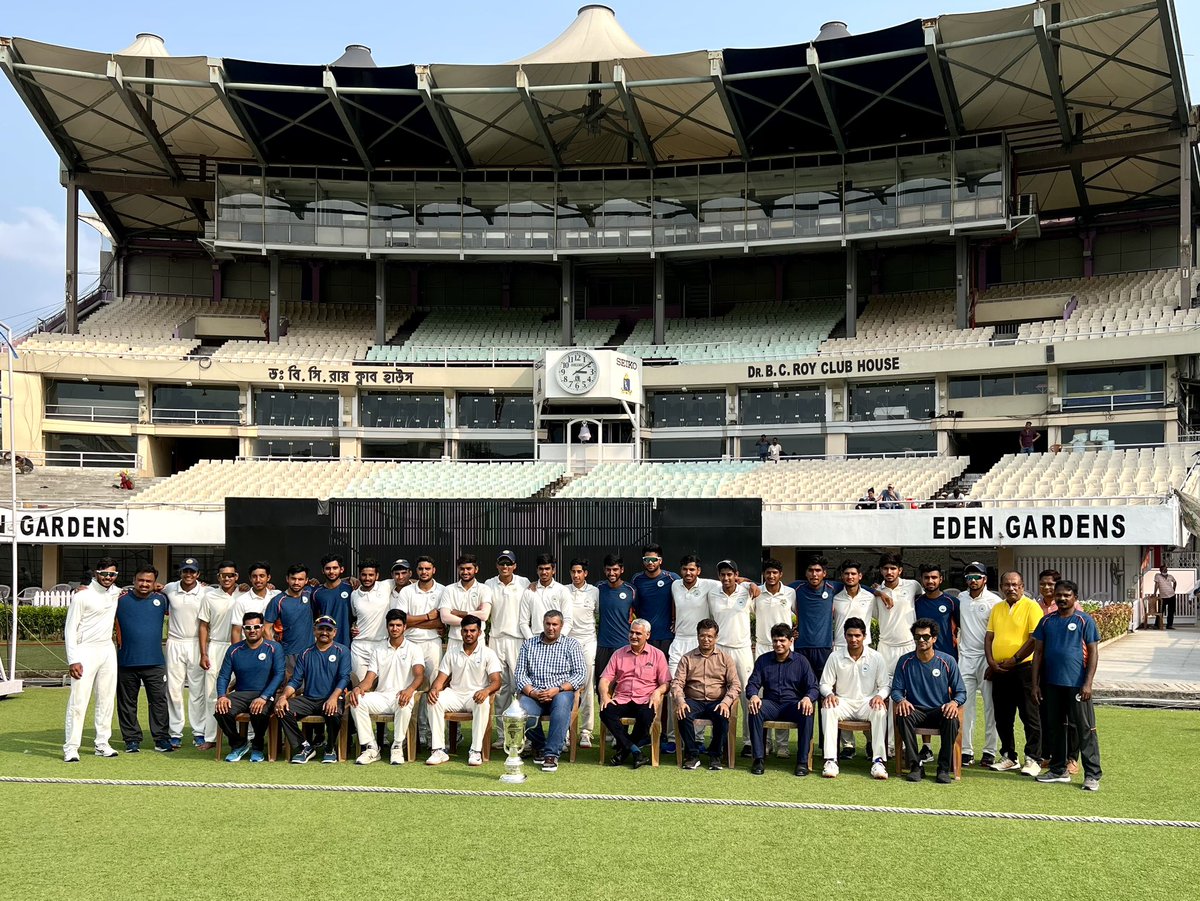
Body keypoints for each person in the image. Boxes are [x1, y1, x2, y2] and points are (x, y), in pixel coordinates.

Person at [1032, 580, 1102, 791]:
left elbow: (1093, 653)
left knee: (1085, 728)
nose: (1062, 598)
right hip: (1051, 684)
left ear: (1075, 597)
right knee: (1055, 728)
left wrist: (1088, 683)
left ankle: (1092, 774)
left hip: (1077, 685)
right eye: (1058, 595)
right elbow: (1038, 653)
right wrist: (1035, 684)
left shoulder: (1084, 620)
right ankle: (1058, 770)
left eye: (1067, 595)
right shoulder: (1046, 621)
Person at [891, 618, 966, 783]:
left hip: (939, 711)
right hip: (915, 710)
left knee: (952, 718)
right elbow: (895, 690)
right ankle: (915, 766)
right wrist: (901, 700)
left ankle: (944, 768)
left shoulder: (947, 661)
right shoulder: (905, 661)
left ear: (934, 639)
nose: (921, 640)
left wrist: (953, 703)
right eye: (917, 637)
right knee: (902, 715)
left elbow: (961, 692)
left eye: (926, 637)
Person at [63, 558, 122, 761]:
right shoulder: (82, 596)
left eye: (112, 574)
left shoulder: (116, 592)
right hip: (85, 651)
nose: (108, 578)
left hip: (107, 649)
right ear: (96, 573)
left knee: (106, 699)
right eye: (104, 574)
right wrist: (73, 659)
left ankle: (102, 743)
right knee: (78, 702)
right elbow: (70, 629)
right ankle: (71, 747)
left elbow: (137, 590)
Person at [349, 609, 425, 766]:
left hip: (403, 696)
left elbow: (419, 676)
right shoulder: (378, 649)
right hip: (382, 696)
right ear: (387, 626)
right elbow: (370, 678)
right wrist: (359, 688)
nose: (395, 628)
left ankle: (397, 746)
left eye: (398, 625)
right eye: (391, 625)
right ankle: (371, 747)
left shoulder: (414, 648)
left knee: (403, 701)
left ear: (405, 627)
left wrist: (409, 690)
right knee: (356, 700)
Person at [985, 571, 1043, 776]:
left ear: (1022, 585)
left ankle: (1033, 758)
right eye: (1006, 584)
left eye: (1015, 584)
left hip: (1024, 669)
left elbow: (1035, 638)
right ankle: (1009, 756)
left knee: (1029, 715)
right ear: (1001, 587)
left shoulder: (1031, 606)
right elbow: (989, 637)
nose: (1011, 588)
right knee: (1002, 716)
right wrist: (992, 662)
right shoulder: (997, 608)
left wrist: (1015, 659)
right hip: (1000, 670)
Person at [516, 610, 587, 773]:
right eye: (548, 624)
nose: (551, 628)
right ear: (543, 624)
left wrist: (558, 689)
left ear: (561, 626)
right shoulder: (529, 644)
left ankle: (551, 754)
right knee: (522, 710)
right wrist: (532, 692)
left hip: (561, 692)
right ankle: (540, 745)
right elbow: (520, 674)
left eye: (555, 624)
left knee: (562, 706)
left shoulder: (571, 644)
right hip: (535, 693)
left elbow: (580, 674)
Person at [426, 615, 502, 767]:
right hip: (454, 694)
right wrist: (434, 690)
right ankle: (438, 750)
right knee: (434, 701)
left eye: (472, 631)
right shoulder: (452, 652)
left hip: (475, 695)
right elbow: (440, 680)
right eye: (466, 631)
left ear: (479, 633)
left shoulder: (488, 653)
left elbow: (497, 681)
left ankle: (475, 751)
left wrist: (486, 691)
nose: (469, 634)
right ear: (461, 632)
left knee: (483, 702)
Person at [274, 615, 351, 764]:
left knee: (334, 712)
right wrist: (283, 697)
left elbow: (344, 678)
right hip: (309, 699)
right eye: (321, 628)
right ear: (314, 631)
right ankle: (304, 747)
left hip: (331, 697)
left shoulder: (342, 651)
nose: (324, 632)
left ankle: (330, 748)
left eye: (328, 629)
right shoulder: (305, 653)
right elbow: (296, 680)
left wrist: (333, 697)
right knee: (282, 709)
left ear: (334, 632)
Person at [819, 618, 889, 779]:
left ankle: (878, 761)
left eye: (857, 635)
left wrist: (879, 696)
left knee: (880, 710)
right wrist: (829, 694)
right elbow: (824, 683)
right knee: (828, 708)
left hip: (867, 702)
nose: (853, 639)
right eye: (850, 635)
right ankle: (831, 760)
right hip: (843, 702)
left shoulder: (876, 657)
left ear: (864, 636)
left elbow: (885, 685)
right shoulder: (835, 657)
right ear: (844, 636)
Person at [745, 622, 818, 776]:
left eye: (782, 640)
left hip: (793, 705)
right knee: (755, 708)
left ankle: (802, 761)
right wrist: (753, 696)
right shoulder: (763, 660)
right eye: (775, 641)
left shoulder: (801, 661)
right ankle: (758, 758)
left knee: (807, 711)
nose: (778, 644)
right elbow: (752, 684)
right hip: (771, 704)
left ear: (791, 641)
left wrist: (807, 698)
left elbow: (813, 686)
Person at [114, 564, 172, 754]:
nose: (144, 584)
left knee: (159, 701)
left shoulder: (162, 599)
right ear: (133, 581)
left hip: (155, 661)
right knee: (127, 703)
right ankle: (131, 739)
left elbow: (187, 599)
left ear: (155, 583)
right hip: (126, 661)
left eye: (149, 581)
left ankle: (161, 739)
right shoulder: (119, 600)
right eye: (141, 580)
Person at [214, 612, 285, 763]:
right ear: (243, 629)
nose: (252, 630)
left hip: (265, 694)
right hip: (241, 694)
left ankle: (258, 746)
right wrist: (221, 696)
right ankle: (238, 744)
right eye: (248, 627)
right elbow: (223, 676)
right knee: (221, 710)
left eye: (256, 627)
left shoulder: (273, 648)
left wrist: (264, 697)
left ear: (261, 628)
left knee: (259, 710)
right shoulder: (234, 650)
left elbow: (279, 674)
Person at [599, 618, 670, 769]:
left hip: (645, 699)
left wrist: (658, 691)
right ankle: (635, 750)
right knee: (605, 711)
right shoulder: (619, 654)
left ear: (647, 635)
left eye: (638, 633)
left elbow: (666, 683)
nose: (634, 636)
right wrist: (605, 695)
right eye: (631, 632)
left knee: (646, 716)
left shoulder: (657, 655)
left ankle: (624, 751)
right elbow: (605, 679)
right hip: (622, 698)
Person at [671, 618, 740, 771]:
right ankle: (692, 755)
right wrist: (681, 701)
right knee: (683, 713)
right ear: (697, 636)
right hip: (693, 700)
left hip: (717, 701)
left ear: (716, 638)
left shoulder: (725, 659)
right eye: (702, 635)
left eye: (710, 636)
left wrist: (726, 702)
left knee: (722, 716)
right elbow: (677, 683)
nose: (706, 639)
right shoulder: (687, 658)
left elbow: (735, 684)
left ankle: (715, 755)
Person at [631, 544, 679, 750]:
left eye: (654, 560)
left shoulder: (672, 579)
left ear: (660, 561)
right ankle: (643, 733)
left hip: (666, 640)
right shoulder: (636, 580)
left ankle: (666, 735)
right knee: (640, 685)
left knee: (664, 687)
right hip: (644, 641)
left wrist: (744, 581)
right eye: (646, 560)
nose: (650, 564)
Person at [708, 560, 757, 756]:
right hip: (719, 649)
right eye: (722, 575)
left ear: (736, 574)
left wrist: (749, 582)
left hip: (742, 649)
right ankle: (718, 739)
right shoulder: (712, 593)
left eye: (730, 574)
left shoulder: (747, 591)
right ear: (718, 576)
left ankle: (749, 741)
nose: (726, 578)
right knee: (718, 693)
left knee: (747, 694)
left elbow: (760, 590)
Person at [872, 553, 918, 758]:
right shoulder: (876, 591)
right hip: (884, 647)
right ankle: (889, 744)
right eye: (885, 569)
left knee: (907, 695)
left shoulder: (913, 585)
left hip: (908, 646)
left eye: (893, 568)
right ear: (881, 571)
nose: (889, 572)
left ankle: (908, 744)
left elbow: (927, 594)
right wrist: (879, 592)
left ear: (900, 570)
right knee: (884, 694)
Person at [956, 562, 1002, 767]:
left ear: (985, 579)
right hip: (965, 659)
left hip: (987, 660)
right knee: (965, 706)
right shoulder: (961, 598)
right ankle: (966, 751)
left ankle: (990, 751)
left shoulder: (995, 601)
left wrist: (993, 662)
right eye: (969, 577)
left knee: (991, 707)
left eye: (977, 577)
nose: (973, 581)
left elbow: (998, 634)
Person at [398, 556, 444, 747]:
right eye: (420, 569)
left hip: (432, 643)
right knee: (410, 686)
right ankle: (412, 734)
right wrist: (427, 617)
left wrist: (414, 620)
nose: (424, 572)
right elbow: (402, 620)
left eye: (427, 569)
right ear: (416, 571)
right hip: (409, 643)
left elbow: (441, 621)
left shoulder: (442, 590)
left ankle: (430, 733)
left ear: (434, 570)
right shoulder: (407, 591)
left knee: (432, 688)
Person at [164, 557, 208, 750]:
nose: (188, 575)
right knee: (173, 689)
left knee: (197, 691)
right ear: (180, 573)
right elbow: (153, 588)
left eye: (192, 572)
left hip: (197, 643)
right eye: (185, 571)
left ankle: (199, 732)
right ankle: (175, 733)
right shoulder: (169, 588)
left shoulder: (206, 592)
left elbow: (231, 593)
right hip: (175, 642)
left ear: (198, 574)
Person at [754, 559, 796, 758]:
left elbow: (800, 614)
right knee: (764, 695)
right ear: (764, 574)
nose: (771, 576)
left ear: (781, 574)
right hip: (763, 646)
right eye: (768, 573)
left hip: (785, 647)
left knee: (784, 694)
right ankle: (766, 743)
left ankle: (782, 745)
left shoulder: (790, 593)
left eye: (775, 573)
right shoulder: (755, 592)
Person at [197, 560, 240, 750]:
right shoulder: (209, 597)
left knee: (239, 692)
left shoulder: (245, 594)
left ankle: (241, 736)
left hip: (241, 649)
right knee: (212, 694)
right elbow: (203, 625)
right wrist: (204, 653)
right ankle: (211, 737)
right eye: (224, 575)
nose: (227, 578)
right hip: (216, 648)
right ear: (218, 577)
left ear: (236, 577)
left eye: (231, 575)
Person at [487, 549, 530, 738]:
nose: (505, 567)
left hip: (517, 639)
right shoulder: (489, 584)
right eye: (502, 563)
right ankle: (502, 735)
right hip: (496, 640)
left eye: (508, 563)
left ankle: (521, 734)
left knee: (519, 686)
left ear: (514, 566)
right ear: (497, 565)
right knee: (500, 688)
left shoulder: (525, 583)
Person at [566, 558, 599, 748]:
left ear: (585, 573)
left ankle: (586, 732)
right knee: (568, 688)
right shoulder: (563, 590)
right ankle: (567, 731)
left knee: (586, 687)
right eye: (573, 572)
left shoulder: (595, 591)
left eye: (579, 572)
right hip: (568, 643)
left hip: (588, 643)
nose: (576, 575)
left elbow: (599, 613)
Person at [263, 563, 316, 681]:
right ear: (287, 579)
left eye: (300, 579)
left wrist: (350, 579)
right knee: (290, 690)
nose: (296, 582)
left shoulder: (310, 593)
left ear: (307, 580)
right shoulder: (278, 601)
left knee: (309, 689)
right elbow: (266, 629)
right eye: (293, 578)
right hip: (289, 654)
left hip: (311, 652)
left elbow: (330, 584)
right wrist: (276, 654)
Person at [595, 554, 635, 694]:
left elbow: (640, 614)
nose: (612, 573)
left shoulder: (631, 590)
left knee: (622, 686)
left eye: (615, 569)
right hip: (603, 646)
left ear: (622, 570)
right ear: (604, 570)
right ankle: (604, 715)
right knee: (603, 687)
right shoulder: (598, 588)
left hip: (623, 645)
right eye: (608, 569)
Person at [439, 554, 494, 655]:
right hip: (455, 639)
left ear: (476, 569)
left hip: (478, 640)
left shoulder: (484, 589)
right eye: (462, 569)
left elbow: (484, 615)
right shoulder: (449, 589)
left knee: (478, 671)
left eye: (469, 568)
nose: (465, 572)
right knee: (453, 671)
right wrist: (473, 619)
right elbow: (445, 617)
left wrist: (460, 613)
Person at [349, 560, 391, 682]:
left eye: (371, 575)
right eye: (364, 575)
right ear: (359, 575)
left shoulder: (386, 585)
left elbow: (405, 580)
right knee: (359, 685)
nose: (367, 578)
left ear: (377, 576)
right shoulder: (354, 594)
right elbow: (356, 617)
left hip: (382, 644)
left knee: (382, 684)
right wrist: (353, 626)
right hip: (359, 646)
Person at [519, 553, 573, 638]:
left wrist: (559, 639)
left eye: (547, 569)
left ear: (553, 570)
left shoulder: (562, 590)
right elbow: (523, 622)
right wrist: (532, 641)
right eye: (541, 569)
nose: (544, 572)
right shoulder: (529, 592)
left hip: (557, 641)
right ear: (537, 570)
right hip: (536, 639)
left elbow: (568, 620)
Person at [313, 554, 354, 647]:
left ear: (341, 569)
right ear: (322, 571)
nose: (331, 571)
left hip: (347, 643)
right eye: (328, 568)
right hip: (324, 643)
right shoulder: (316, 592)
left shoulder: (351, 589)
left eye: (335, 568)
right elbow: (313, 618)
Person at [231, 562, 273, 643]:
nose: (258, 580)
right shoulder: (241, 601)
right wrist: (237, 654)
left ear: (268, 577)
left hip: (272, 648)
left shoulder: (276, 596)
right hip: (249, 650)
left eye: (262, 576)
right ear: (250, 578)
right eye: (254, 576)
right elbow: (236, 631)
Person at [1151, 563, 1177, 630]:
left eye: (1166, 569)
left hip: (1172, 595)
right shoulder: (1157, 576)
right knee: (1160, 611)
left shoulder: (1170, 576)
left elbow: (1175, 582)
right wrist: (1154, 593)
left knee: (1171, 611)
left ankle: (1169, 625)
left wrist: (1174, 589)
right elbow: (1156, 585)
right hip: (1163, 596)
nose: (1166, 570)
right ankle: (1157, 625)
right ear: (1161, 570)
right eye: (1164, 569)